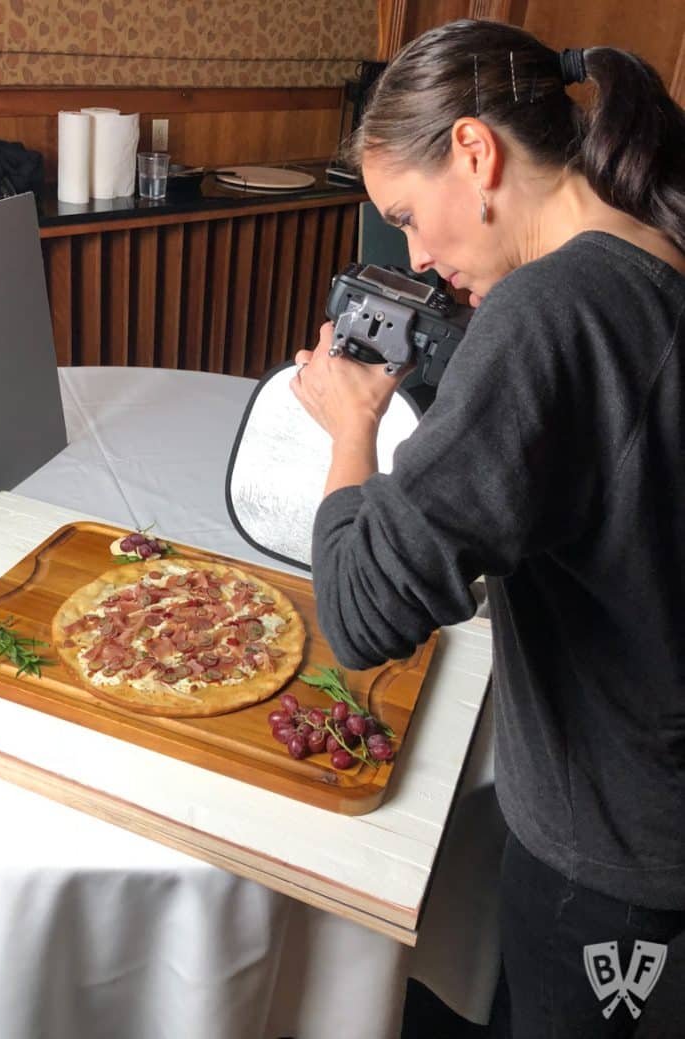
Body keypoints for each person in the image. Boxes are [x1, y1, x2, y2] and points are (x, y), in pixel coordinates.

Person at [290, 19, 685, 1039]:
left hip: (613, 859)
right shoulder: (652, 246)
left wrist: (353, 425)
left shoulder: (552, 311)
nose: (416, 255)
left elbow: (363, 606)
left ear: (476, 151)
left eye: (410, 215)